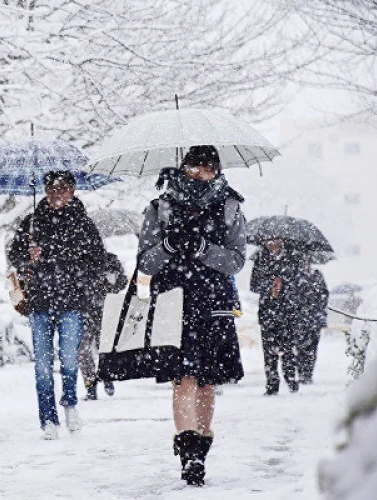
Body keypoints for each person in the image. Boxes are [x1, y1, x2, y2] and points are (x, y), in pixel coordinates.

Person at [137, 145, 246, 486]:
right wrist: (168, 246)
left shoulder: (230, 206)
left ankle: (201, 448)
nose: (201, 173)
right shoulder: (160, 207)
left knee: (207, 381)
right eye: (195, 167)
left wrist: (204, 250)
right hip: (174, 303)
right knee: (183, 379)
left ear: (217, 169)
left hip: (213, 303)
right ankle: (189, 455)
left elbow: (236, 261)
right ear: (183, 168)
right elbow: (145, 262)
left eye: (209, 168)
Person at [7, 170, 106, 440]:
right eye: (51, 189)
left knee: (70, 359)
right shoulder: (31, 223)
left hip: (72, 302)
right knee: (42, 365)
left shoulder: (84, 224)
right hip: (39, 302)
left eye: (62, 189)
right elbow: (14, 255)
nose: (56, 194)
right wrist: (29, 257)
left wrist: (75, 272)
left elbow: (98, 261)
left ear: (72, 191)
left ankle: (71, 403)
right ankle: (48, 419)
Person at [250, 239, 306, 395]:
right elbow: (253, 285)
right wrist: (270, 286)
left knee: (288, 349)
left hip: (287, 312)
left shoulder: (292, 258)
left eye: (275, 240)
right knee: (269, 351)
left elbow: (298, 284)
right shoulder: (260, 259)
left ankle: (291, 379)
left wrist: (283, 285)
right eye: (269, 241)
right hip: (267, 312)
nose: (272, 244)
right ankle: (272, 383)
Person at [79, 250, 128, 400]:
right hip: (84, 310)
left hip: (103, 310)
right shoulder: (78, 259)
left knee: (103, 347)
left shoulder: (110, 259)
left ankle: (106, 377)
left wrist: (110, 286)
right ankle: (91, 385)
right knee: (84, 350)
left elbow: (122, 280)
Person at [297, 262, 329, 384]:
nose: (305, 264)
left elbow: (324, 294)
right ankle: (301, 372)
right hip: (300, 318)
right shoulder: (297, 277)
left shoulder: (317, 275)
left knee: (312, 347)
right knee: (300, 347)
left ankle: (308, 373)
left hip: (315, 318)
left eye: (307, 261)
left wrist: (318, 304)